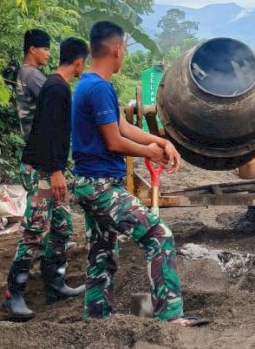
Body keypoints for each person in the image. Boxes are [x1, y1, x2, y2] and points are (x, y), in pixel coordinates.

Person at [71, 21, 207, 327]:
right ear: (118, 49)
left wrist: (159, 140)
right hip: (102, 187)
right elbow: (114, 141)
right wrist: (153, 153)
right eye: (126, 50)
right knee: (160, 236)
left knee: (102, 254)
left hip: (87, 185)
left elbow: (123, 127)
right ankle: (170, 317)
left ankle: (96, 319)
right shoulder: (99, 88)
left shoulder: (88, 84)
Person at [2, 37, 90, 320]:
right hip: (41, 169)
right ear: (78, 61)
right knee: (35, 230)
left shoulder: (55, 86)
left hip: (51, 169)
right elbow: (49, 132)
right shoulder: (56, 89)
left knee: (63, 226)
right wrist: (54, 172)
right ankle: (13, 293)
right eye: (84, 62)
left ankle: (55, 282)